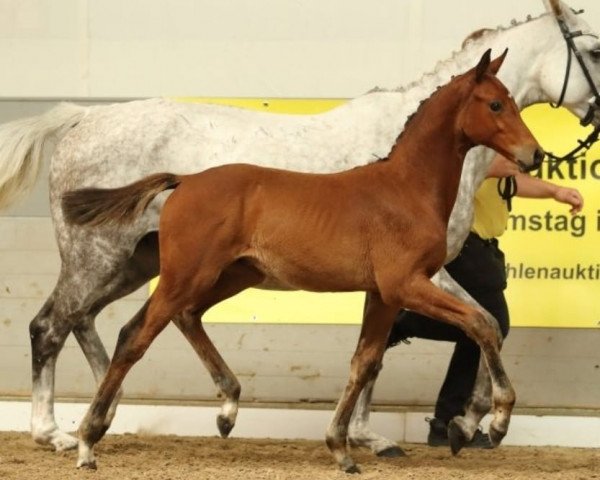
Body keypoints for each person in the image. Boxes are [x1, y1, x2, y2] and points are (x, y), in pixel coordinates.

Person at [385, 153, 584, 448]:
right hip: (466, 247)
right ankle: (409, 328)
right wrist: (506, 159)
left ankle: (444, 420)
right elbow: (474, 165)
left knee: (474, 333)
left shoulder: (500, 158)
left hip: (486, 249)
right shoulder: (478, 151)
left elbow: (513, 182)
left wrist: (555, 191)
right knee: (495, 325)